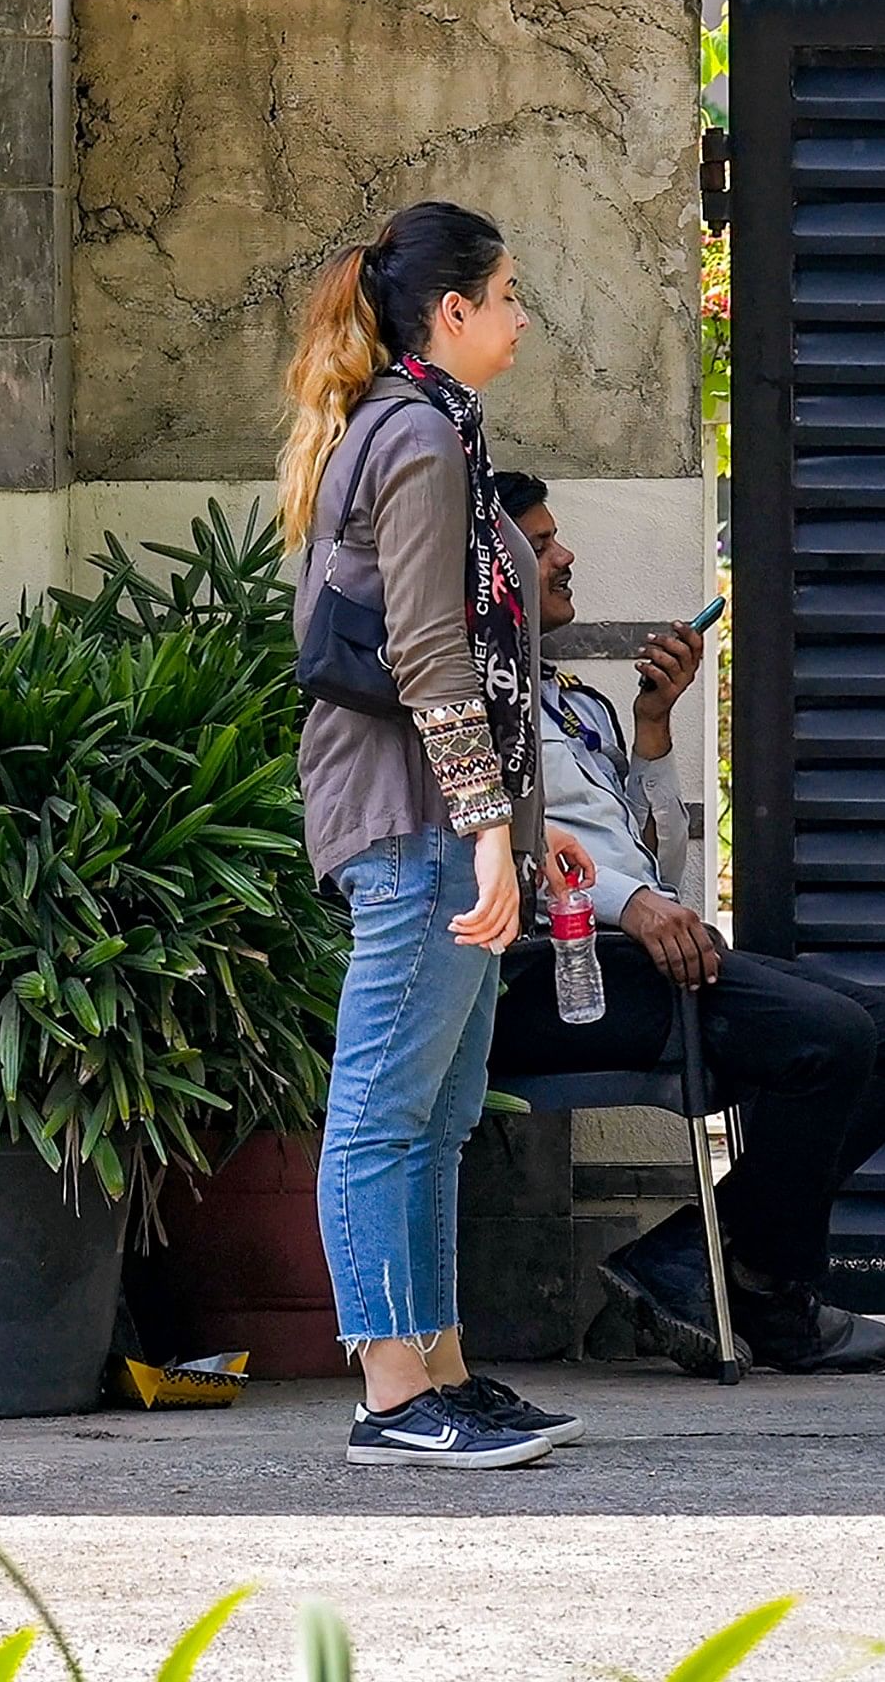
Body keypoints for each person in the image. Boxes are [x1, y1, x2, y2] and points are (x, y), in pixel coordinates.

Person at [483, 470, 885, 1376]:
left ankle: (696, 1257)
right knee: (829, 1037)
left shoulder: (577, 702)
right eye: (540, 548)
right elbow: (498, 853)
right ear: (493, 574)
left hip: (631, 958)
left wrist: (653, 729)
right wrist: (632, 905)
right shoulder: (471, 706)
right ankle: (766, 1292)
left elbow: (662, 876)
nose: (566, 557)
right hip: (546, 976)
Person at [283, 200, 598, 1470]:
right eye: (508, 294)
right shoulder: (414, 435)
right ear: (451, 312)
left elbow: (481, 664)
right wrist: (483, 829)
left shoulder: (432, 428)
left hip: (449, 819)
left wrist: (526, 831)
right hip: (415, 821)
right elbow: (424, 652)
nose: (522, 317)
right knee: (381, 1108)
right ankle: (393, 1390)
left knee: (436, 1111)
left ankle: (444, 1371)